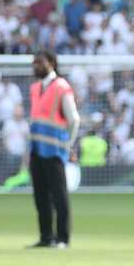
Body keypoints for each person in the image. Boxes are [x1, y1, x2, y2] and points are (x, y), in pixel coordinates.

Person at [25, 50, 79, 249]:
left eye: (39, 62)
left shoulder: (62, 87)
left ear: (51, 63)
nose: (35, 66)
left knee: (59, 195)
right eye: (34, 63)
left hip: (55, 150)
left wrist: (68, 144)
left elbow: (74, 119)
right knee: (40, 196)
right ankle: (46, 236)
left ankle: (62, 238)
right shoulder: (35, 88)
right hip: (37, 149)